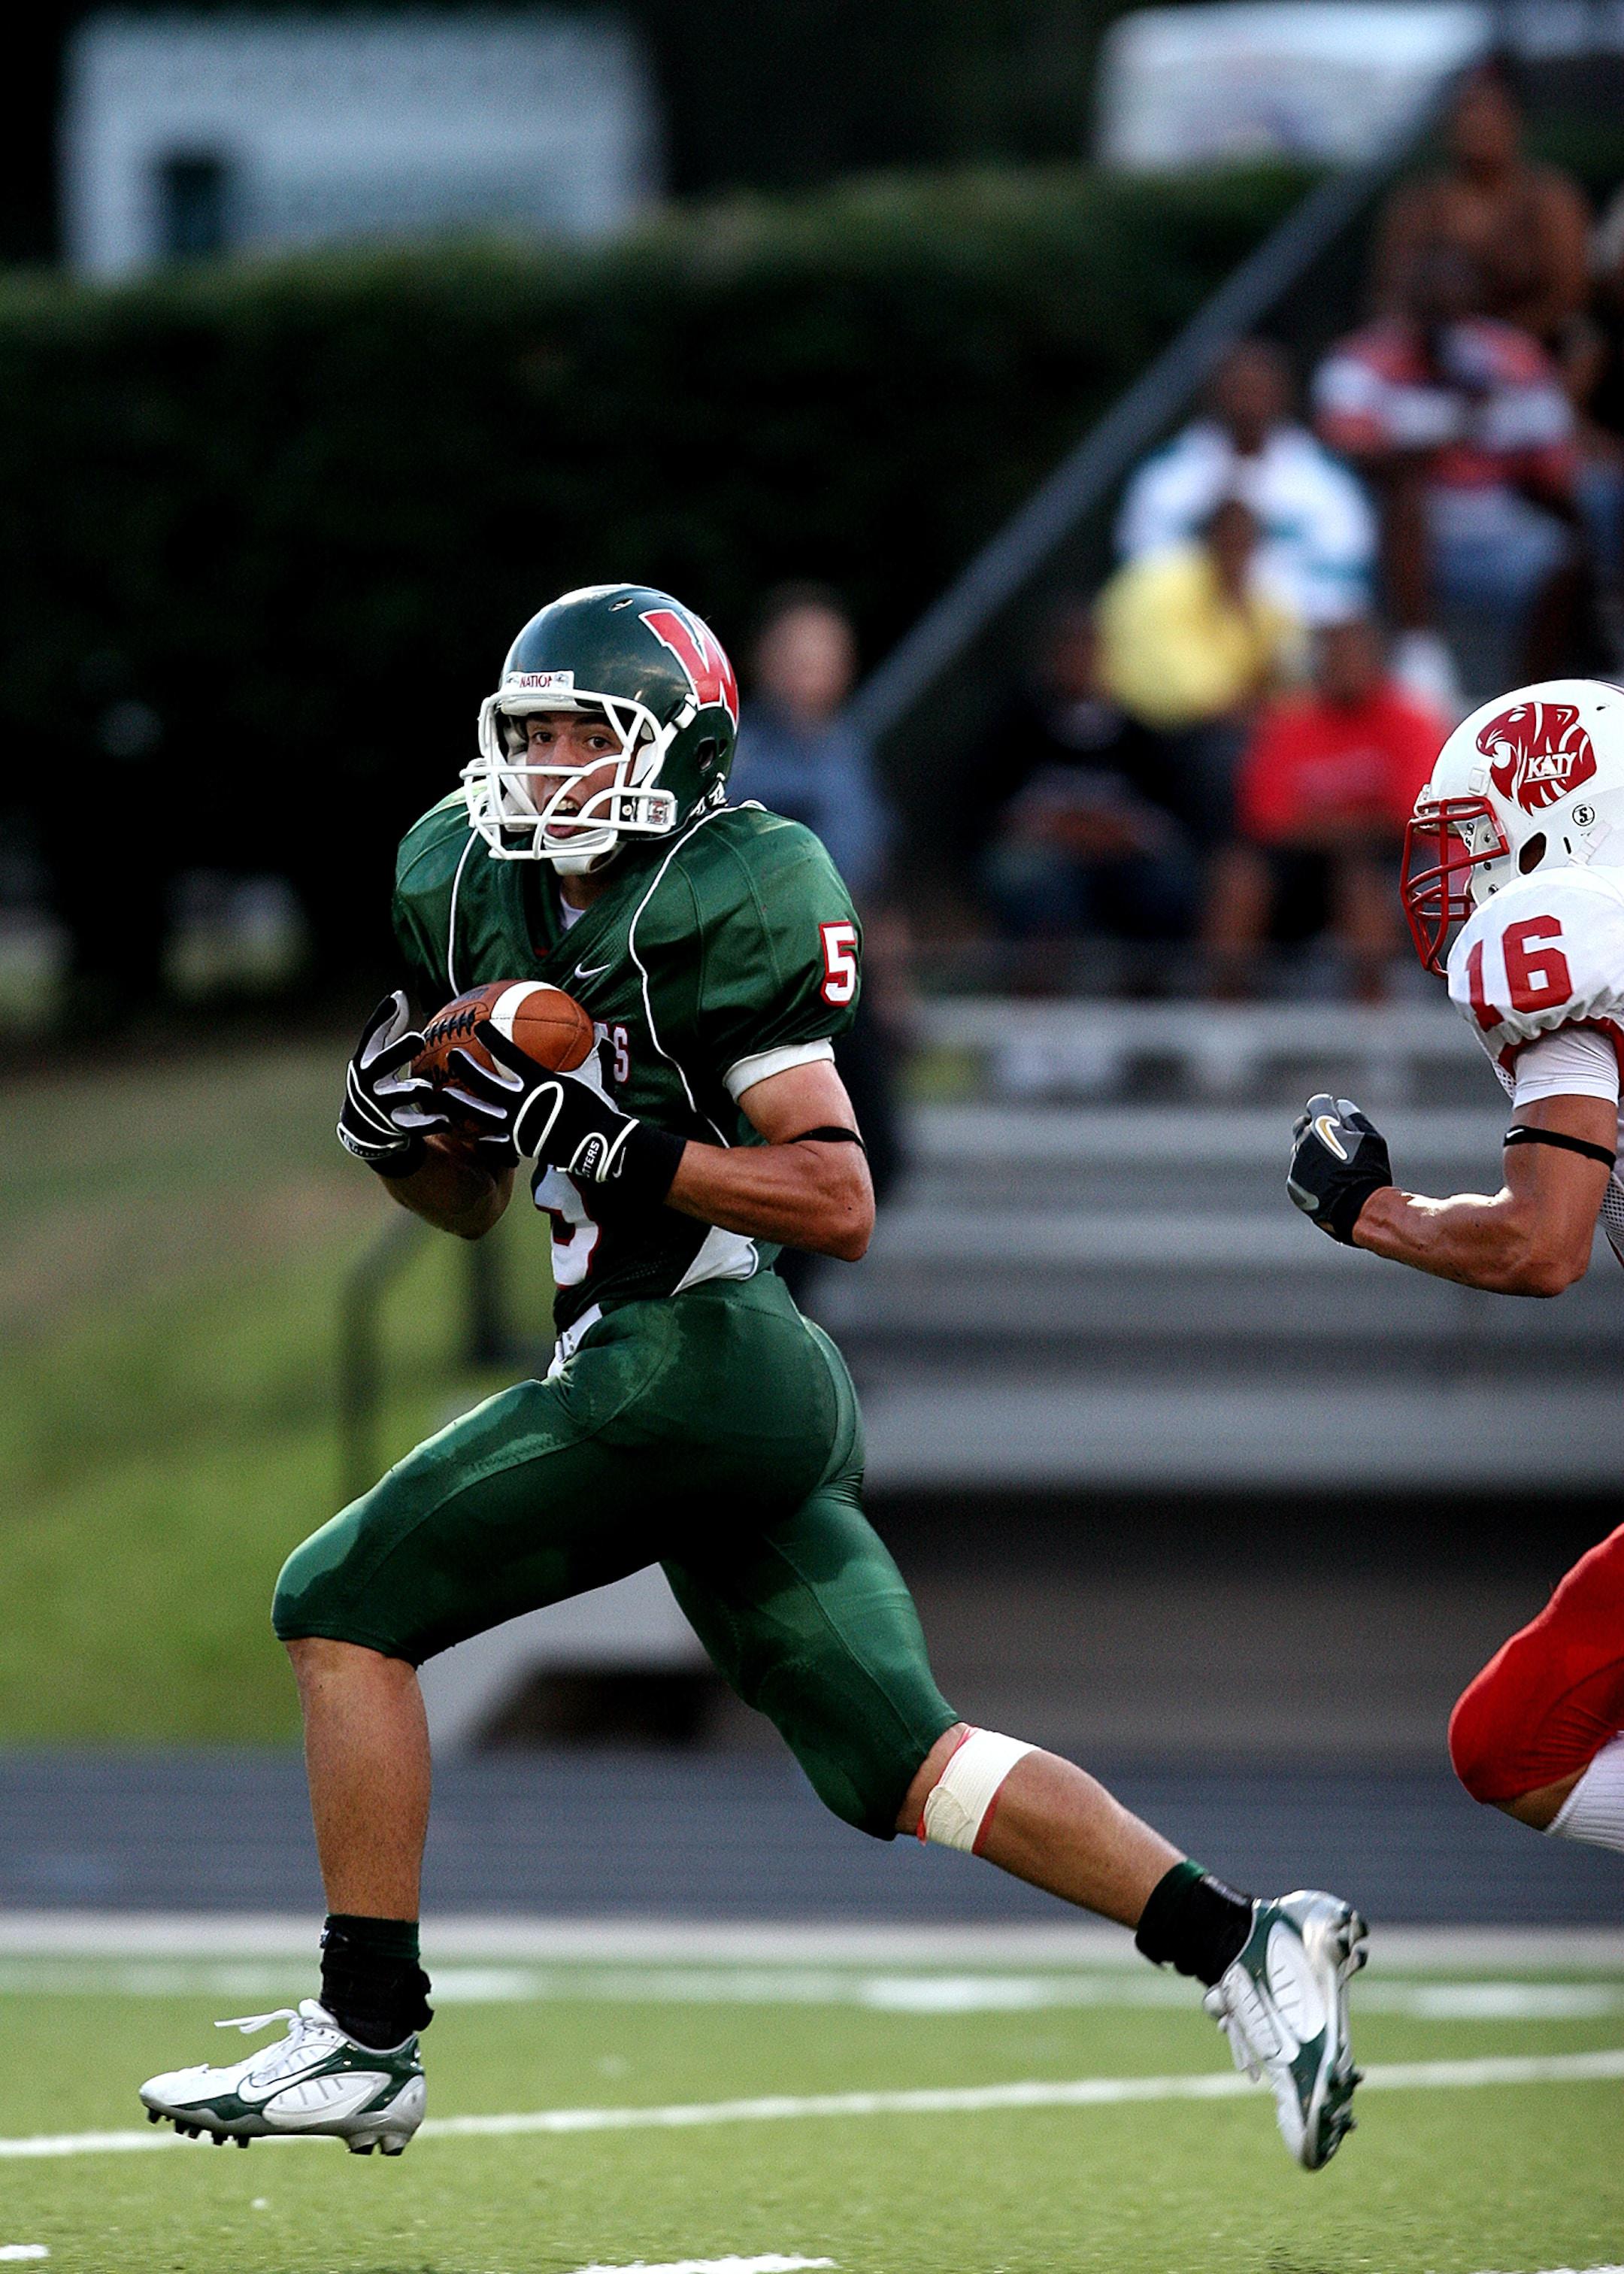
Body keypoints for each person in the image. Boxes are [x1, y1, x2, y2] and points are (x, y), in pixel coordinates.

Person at [139, 582, 1365, 2168]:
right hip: (723, 1392)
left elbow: (835, 1196)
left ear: (679, 748)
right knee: (902, 1762)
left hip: (697, 1353)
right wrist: (397, 1139)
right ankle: (1246, 1940)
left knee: (337, 1603)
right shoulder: (461, 877)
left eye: (585, 733)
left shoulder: (744, 883)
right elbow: (471, 1203)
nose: (546, 765)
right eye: (531, 733)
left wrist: (615, 1137)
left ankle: (368, 2033)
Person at [1286, 676, 1624, 1860]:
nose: (1453, 869)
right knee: (1509, 1740)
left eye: (1474, 836)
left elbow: (1542, 1243)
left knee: (1522, 1744)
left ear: (1564, 820)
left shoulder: (1572, 951)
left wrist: (1376, 1210)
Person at [1315, 244, 1582, 710]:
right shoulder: (1363, 360)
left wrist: (1489, 407)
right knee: (1407, 493)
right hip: (1398, 540)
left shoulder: (1513, 359)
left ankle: (1533, 698)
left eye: (1455, 305)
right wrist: (1451, 427)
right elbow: (1345, 451)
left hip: (1497, 524)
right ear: (1410, 302)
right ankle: (1420, 657)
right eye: (1432, 306)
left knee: (1570, 544)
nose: (1444, 318)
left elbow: (1553, 467)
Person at [730, 584, 904, 1287]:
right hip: (771, 987)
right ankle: (776, 1317)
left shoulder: (847, 751)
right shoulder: (740, 755)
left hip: (843, 981)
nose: (811, 670)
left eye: (825, 655)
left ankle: (790, 1309)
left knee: (880, 1152)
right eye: (796, 654)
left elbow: (870, 869)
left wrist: (894, 982)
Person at [1205, 619, 1444, 997]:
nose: (1341, 664)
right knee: (1239, 878)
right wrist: (1349, 823)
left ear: (1376, 660)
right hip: (1299, 863)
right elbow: (1265, 817)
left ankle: (1375, 1028)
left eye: (1352, 654)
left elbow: (1413, 815)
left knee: (1359, 885)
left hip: (1386, 860)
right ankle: (1222, 1021)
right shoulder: (1289, 724)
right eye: (1333, 654)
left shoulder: (1410, 721)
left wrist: (1323, 822)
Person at [980, 596, 1196, 948]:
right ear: (1050, 654)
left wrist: (1119, 833)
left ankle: (1148, 993)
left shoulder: (1139, 734)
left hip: (1124, 856)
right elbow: (988, 810)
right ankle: (1035, 997)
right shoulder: (1014, 726)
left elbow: (1168, 815)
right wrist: (1061, 829)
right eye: (1070, 647)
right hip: (1044, 855)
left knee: (1167, 884)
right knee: (1031, 882)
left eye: (1089, 647)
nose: (1080, 659)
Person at [1117, 338, 1377, 629]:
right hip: (1193, 637)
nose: (1246, 402)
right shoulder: (1167, 473)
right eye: (1237, 390)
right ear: (1212, 395)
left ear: (1283, 394)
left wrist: (1265, 615)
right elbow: (1143, 571)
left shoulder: (1326, 477)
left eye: (1257, 390)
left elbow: (1344, 575)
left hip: (1298, 638)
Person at [1095, 496, 1303, 848]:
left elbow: (1294, 682)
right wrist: (1264, 707)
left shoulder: (1256, 598)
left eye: (1248, 543)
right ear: (1208, 538)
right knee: (1226, 760)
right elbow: (1194, 699)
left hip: (1205, 732)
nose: (1241, 552)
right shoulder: (1160, 583)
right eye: (1231, 540)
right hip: (1137, 734)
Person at [1373, 65, 1591, 353]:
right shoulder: (1417, 202)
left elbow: (1568, 293)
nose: (1478, 124)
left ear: (1516, 122)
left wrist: (1497, 345)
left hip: (1533, 346)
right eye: (1468, 112)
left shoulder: (1551, 197)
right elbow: (1388, 291)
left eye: (1491, 113)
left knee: (1585, 350)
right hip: (1428, 348)